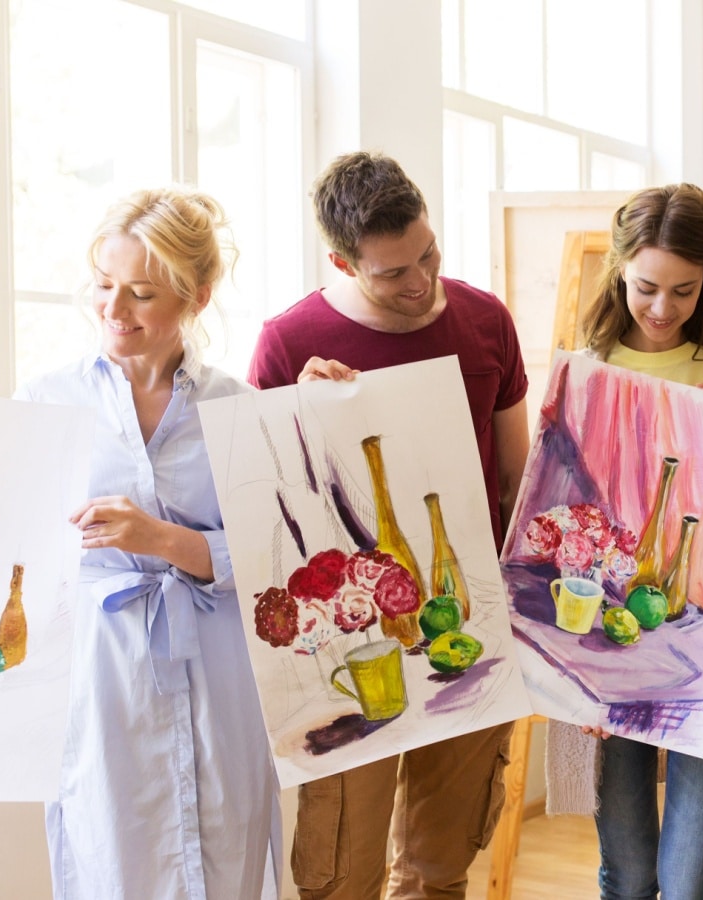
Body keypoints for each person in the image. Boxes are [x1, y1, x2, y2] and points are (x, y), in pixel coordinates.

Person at [247, 151, 530, 900]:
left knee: (442, 865)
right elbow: (261, 507)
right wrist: (296, 417)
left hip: (468, 621)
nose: (419, 281)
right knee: (340, 869)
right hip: (351, 639)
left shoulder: (485, 321)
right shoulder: (289, 341)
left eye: (428, 254)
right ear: (341, 261)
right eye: (391, 271)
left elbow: (515, 481)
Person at [540, 184, 703, 900]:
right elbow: (553, 526)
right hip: (606, 644)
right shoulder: (581, 368)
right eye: (646, 287)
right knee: (626, 877)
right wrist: (570, 679)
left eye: (684, 292)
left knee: (688, 884)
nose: (661, 309)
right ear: (619, 270)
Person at [19, 186, 281, 900]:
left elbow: (271, 559)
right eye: (103, 286)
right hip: (100, 668)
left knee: (223, 843)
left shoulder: (235, 408)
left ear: (197, 296)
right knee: (111, 852)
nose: (114, 308)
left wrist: (163, 539)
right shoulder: (45, 403)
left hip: (219, 661)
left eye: (140, 292)